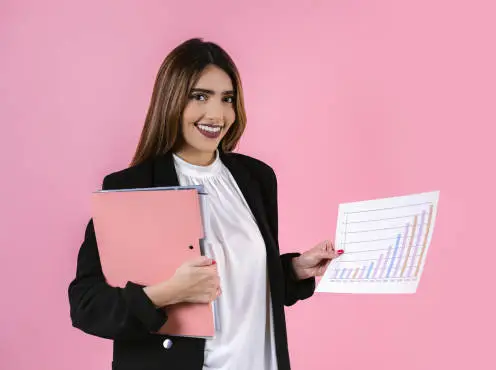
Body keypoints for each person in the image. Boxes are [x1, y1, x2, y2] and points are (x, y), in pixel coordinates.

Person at [67, 38, 343, 370]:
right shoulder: (132, 187)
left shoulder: (256, 178)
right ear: (171, 100)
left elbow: (243, 288)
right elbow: (88, 306)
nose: (217, 114)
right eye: (200, 96)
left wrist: (296, 269)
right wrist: (166, 293)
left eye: (227, 99)